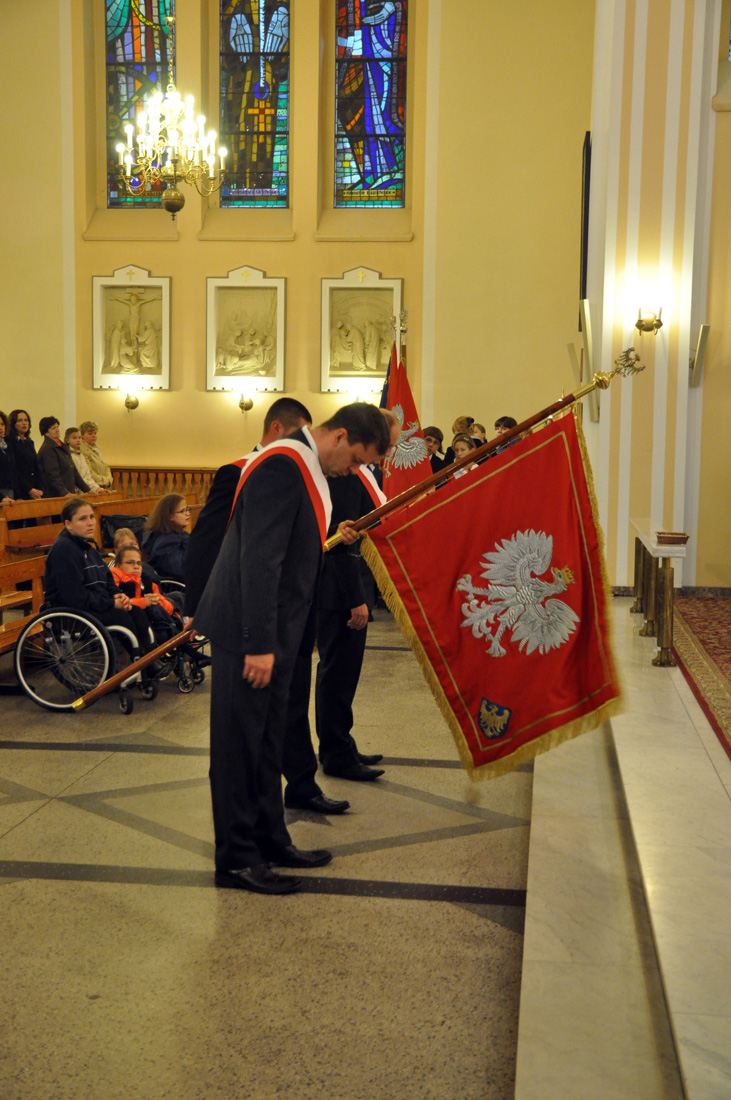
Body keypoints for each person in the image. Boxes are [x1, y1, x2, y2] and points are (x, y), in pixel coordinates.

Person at [193, 402, 390, 895]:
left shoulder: (308, 464)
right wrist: (259, 644)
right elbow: (260, 560)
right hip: (250, 634)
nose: (355, 471)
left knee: (266, 742)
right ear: (339, 436)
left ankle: (271, 840)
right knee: (240, 746)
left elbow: (298, 548)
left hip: (279, 633)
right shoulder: (283, 464)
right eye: (357, 460)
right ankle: (237, 859)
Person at [184, 397, 349, 816]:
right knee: (250, 729)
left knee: (291, 709)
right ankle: (257, 818)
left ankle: (301, 783)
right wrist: (193, 606)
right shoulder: (241, 470)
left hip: (290, 622)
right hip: (250, 618)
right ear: (278, 429)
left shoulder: (308, 473)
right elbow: (209, 540)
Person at [44, 498, 151, 651]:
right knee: (121, 617)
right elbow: (74, 596)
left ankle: (149, 656)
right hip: (71, 613)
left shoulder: (88, 547)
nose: (90, 523)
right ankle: (139, 660)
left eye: (91, 517)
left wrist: (118, 595)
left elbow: (107, 579)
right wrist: (111, 604)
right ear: (68, 524)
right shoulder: (64, 549)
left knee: (136, 612)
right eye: (82, 519)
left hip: (95, 605)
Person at [111, 544, 179, 643]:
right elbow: (117, 603)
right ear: (118, 565)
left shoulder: (147, 581)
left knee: (175, 600)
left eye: (139, 563)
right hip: (129, 618)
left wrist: (157, 601)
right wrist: (144, 602)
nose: (136, 567)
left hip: (155, 619)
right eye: (130, 562)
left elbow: (168, 608)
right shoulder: (114, 576)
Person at [141, 494, 190, 581]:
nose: (188, 513)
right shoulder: (167, 540)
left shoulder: (179, 534)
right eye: (182, 511)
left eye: (187, 509)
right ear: (170, 516)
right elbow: (178, 570)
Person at [37, 416, 89, 497]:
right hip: (56, 495)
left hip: (68, 492)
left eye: (57, 427)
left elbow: (74, 472)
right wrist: (65, 493)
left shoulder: (62, 446)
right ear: (46, 433)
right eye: (53, 428)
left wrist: (88, 490)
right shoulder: (48, 449)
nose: (57, 430)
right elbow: (53, 475)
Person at [7, 409, 43, 499]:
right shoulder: (10, 441)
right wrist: (28, 489)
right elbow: (15, 468)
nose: (24, 423)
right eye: (20, 420)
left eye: (26, 420)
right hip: (19, 489)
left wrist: (38, 488)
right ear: (13, 424)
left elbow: (35, 466)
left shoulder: (29, 442)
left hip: (34, 487)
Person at [65, 428, 111, 495]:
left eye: (79, 438)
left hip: (84, 489)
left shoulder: (81, 454)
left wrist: (97, 489)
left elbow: (87, 476)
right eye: (74, 438)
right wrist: (88, 488)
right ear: (67, 440)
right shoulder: (66, 455)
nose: (78, 440)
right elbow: (75, 477)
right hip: (72, 491)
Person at [79, 421, 113, 488]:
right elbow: (89, 471)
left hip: (103, 485)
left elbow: (105, 467)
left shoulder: (96, 448)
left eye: (95, 433)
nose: (93, 436)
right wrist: (104, 481)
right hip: (92, 486)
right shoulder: (82, 449)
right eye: (90, 434)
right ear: (82, 435)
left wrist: (109, 480)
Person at [0, 410, 16, 503]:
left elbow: (14, 470)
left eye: (2, 424)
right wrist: (1, 498)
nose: (0, 427)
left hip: (9, 490)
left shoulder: (8, 445)